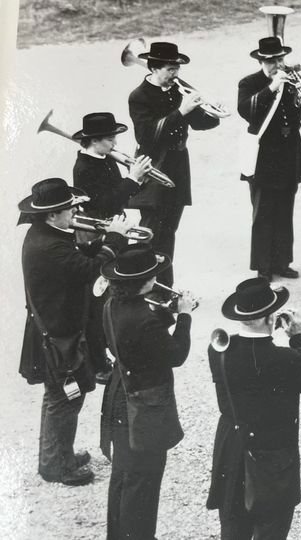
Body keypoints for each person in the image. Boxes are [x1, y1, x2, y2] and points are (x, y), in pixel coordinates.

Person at [18, 178, 130, 486]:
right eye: (69, 208)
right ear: (52, 214)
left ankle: (55, 455)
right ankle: (57, 465)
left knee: (60, 396)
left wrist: (97, 242)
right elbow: (86, 269)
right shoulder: (49, 244)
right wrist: (115, 241)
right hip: (58, 335)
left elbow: (77, 259)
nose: (75, 211)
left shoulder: (46, 234)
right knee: (65, 398)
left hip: (57, 331)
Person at [206, 278, 301, 539]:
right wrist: (297, 337)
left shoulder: (218, 350)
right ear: (271, 318)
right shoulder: (287, 359)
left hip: (232, 447)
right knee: (272, 527)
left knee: (233, 525)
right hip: (273, 456)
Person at [99, 244, 196, 539]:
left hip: (120, 395)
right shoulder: (143, 318)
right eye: (152, 275)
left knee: (123, 475)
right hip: (144, 406)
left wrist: (168, 313)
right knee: (144, 480)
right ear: (144, 281)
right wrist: (184, 317)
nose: (156, 278)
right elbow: (175, 354)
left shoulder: (113, 305)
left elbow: (144, 334)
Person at [128, 41, 221, 285]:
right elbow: (146, 136)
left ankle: (164, 287)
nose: (175, 74)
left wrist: (212, 112)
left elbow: (201, 123)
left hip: (178, 165)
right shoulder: (138, 97)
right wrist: (181, 111)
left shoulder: (178, 89)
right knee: (151, 233)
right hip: (154, 166)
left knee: (169, 232)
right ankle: (145, 286)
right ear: (155, 68)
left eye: (177, 68)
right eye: (170, 69)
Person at [71, 111, 152, 382]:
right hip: (98, 236)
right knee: (98, 298)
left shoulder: (103, 159)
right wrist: (132, 180)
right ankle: (98, 362)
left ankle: (109, 348)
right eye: (110, 139)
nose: (115, 144)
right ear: (94, 141)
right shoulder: (84, 167)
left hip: (114, 228)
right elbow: (103, 203)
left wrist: (137, 179)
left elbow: (119, 194)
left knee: (111, 291)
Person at [238, 37, 301, 281]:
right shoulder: (250, 83)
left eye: (279, 59)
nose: (276, 64)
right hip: (263, 156)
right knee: (263, 212)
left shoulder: (294, 78)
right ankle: (263, 268)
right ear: (261, 61)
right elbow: (246, 110)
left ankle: (282, 262)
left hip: (289, 154)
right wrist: (272, 87)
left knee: (285, 211)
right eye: (270, 61)